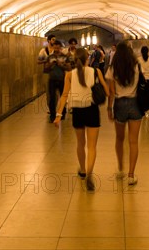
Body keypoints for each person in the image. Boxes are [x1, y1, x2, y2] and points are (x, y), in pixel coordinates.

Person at [54, 48, 108, 191]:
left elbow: (64, 95)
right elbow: (107, 91)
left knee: (80, 143)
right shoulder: (96, 72)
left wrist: (58, 115)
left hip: (77, 111)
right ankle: (90, 173)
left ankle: (83, 170)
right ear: (87, 59)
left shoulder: (69, 75)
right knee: (92, 146)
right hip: (92, 109)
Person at [105, 42, 143, 186]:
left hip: (120, 104)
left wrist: (109, 108)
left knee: (119, 139)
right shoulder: (136, 66)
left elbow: (112, 92)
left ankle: (121, 169)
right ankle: (131, 175)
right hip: (135, 104)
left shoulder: (113, 68)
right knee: (133, 141)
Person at [46, 41, 68, 122]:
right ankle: (52, 115)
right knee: (52, 98)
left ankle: (63, 113)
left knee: (63, 97)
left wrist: (60, 64)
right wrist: (51, 65)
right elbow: (46, 68)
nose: (56, 49)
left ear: (60, 48)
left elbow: (68, 68)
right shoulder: (50, 56)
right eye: (55, 47)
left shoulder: (64, 56)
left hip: (62, 79)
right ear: (53, 47)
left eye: (58, 48)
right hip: (52, 79)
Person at [38, 34, 57, 114]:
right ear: (49, 40)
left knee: (55, 92)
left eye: (55, 39)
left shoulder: (57, 50)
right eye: (53, 39)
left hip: (55, 73)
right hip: (46, 73)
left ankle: (55, 108)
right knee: (48, 92)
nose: (54, 41)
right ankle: (50, 108)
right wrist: (46, 61)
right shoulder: (43, 51)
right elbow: (38, 61)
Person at [137, 46, 149, 117]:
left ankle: (142, 108)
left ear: (141, 52)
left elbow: (138, 70)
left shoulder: (138, 59)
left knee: (142, 94)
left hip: (141, 79)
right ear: (148, 51)